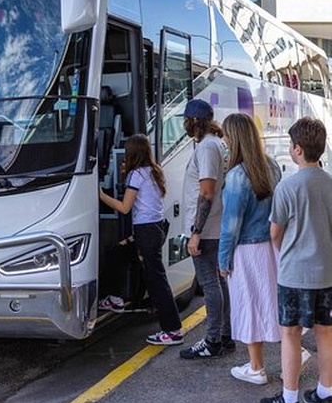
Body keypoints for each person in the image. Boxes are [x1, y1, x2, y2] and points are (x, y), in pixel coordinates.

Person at [259, 117, 332, 403]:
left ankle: (289, 401)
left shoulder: (287, 187)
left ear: (297, 149)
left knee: (290, 334)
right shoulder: (330, 184)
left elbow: (275, 232)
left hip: (294, 274)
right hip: (326, 273)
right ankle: (326, 394)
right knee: (325, 332)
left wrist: (286, 251)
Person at [99, 134, 184, 346]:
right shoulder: (154, 171)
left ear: (132, 153)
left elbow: (124, 208)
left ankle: (173, 331)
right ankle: (116, 299)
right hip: (156, 228)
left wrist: (100, 195)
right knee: (118, 254)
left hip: (146, 232)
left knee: (157, 282)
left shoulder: (136, 175)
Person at [218, 113, 281, 384]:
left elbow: (230, 225)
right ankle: (296, 351)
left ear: (234, 138)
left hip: (245, 250)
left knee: (249, 304)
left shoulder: (236, 176)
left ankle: (256, 368)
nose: (223, 140)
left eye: (225, 135)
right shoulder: (272, 165)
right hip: (271, 246)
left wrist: (223, 260)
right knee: (273, 302)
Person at [178, 99, 234, 359]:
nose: (184, 125)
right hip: (214, 227)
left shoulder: (208, 147)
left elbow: (207, 192)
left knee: (211, 284)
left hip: (207, 229)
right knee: (219, 283)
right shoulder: (215, 144)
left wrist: (196, 231)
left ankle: (213, 340)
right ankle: (225, 336)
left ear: (195, 121)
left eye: (186, 120)